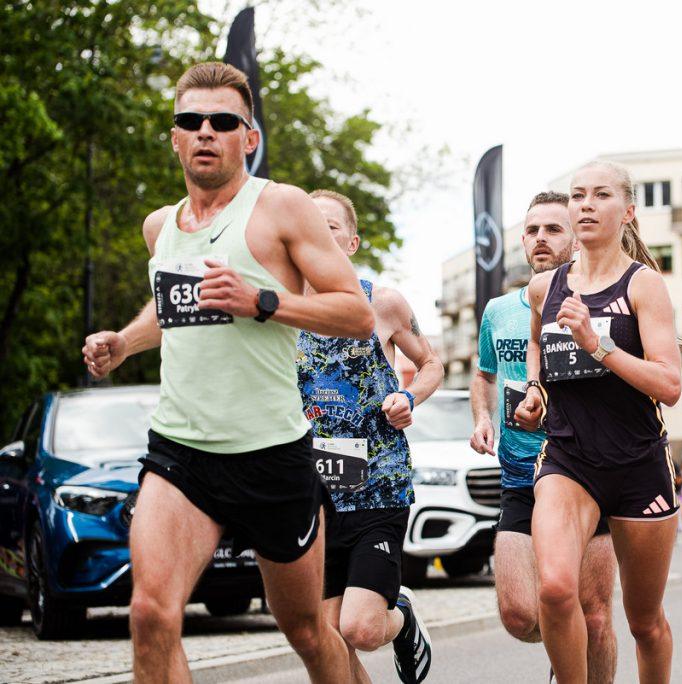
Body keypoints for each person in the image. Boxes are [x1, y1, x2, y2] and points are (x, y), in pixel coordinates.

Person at [81, 62, 375, 682]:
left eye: (222, 120)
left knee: (306, 631)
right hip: (182, 449)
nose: (206, 131)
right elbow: (175, 311)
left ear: (249, 137)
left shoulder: (282, 207)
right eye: (192, 120)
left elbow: (356, 314)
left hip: (270, 453)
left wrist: (262, 301)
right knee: (150, 615)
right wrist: (124, 343)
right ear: (175, 138)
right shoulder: (160, 227)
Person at [515, 161, 682, 683]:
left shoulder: (643, 286)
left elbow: (669, 386)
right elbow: (538, 345)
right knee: (554, 589)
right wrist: (535, 390)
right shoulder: (545, 288)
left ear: (627, 211)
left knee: (645, 623)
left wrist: (599, 345)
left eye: (601, 195)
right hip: (569, 461)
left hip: (637, 466)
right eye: (578, 194)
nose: (586, 204)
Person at [297, 189, 443, 683]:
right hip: (312, 494)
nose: (318, 236)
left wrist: (409, 397)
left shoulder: (382, 302)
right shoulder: (283, 309)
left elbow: (431, 363)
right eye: (308, 226)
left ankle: (401, 617)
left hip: (377, 485)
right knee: (327, 638)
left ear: (352, 242)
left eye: (330, 227)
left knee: (359, 628)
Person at [470, 191, 617, 683]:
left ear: (575, 239)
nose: (540, 239)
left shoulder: (599, 302)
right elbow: (484, 374)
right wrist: (483, 417)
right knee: (520, 615)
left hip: (586, 474)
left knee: (595, 617)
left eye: (553, 229)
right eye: (532, 230)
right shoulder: (498, 310)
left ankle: (573, 657)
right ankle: (564, 646)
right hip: (519, 475)